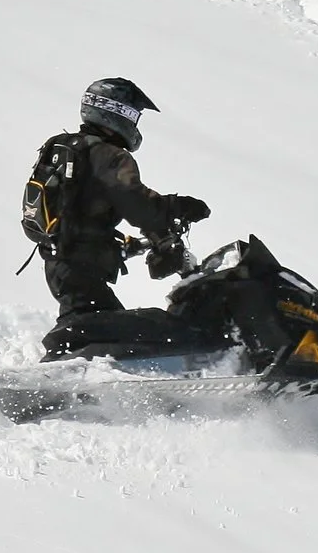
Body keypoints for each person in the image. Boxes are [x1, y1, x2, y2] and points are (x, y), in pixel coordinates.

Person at [33, 78, 210, 352]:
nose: (135, 123)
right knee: (125, 342)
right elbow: (137, 205)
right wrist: (178, 206)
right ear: (116, 112)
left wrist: (134, 243)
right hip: (82, 268)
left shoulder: (63, 147)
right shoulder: (108, 155)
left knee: (102, 336)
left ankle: (71, 370)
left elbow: (85, 208)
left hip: (59, 264)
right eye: (133, 115)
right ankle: (62, 374)